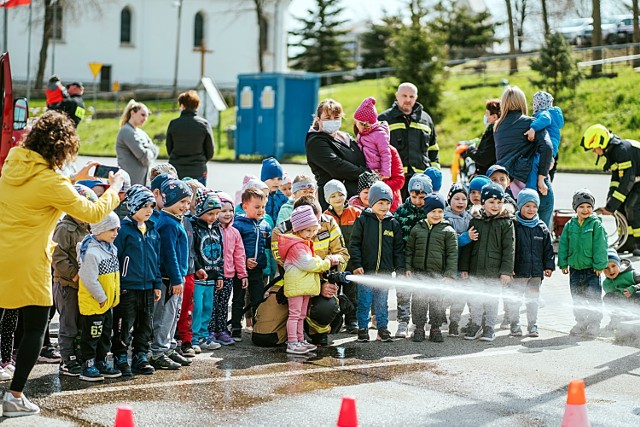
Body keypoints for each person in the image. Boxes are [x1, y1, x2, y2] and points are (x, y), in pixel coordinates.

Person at [0, 110, 124, 417]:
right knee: (35, 328)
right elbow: (93, 214)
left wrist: (73, 179)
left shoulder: (14, 162)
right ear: (62, 147)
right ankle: (15, 396)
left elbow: (38, 189)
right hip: (28, 261)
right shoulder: (52, 181)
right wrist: (114, 189)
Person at [111, 185, 161, 376]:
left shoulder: (152, 229)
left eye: (151, 206)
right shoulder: (123, 231)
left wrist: (156, 283)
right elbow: (115, 259)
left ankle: (140, 356)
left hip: (147, 287)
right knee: (124, 324)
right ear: (132, 206)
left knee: (145, 324)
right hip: (127, 288)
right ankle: (120, 356)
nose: (149, 210)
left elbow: (155, 258)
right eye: (145, 206)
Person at [278, 206, 340, 354]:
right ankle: (292, 342)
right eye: (307, 231)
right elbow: (308, 263)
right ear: (298, 230)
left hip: (303, 287)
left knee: (301, 315)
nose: (311, 234)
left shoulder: (304, 244)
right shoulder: (296, 246)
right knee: (294, 315)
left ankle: (300, 340)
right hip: (296, 288)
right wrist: (327, 263)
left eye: (313, 230)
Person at [349, 181, 405, 343]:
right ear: (372, 202)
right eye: (380, 203)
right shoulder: (363, 221)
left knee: (382, 303)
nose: (384, 206)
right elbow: (354, 245)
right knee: (364, 302)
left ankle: (382, 329)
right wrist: (357, 264)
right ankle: (362, 328)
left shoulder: (393, 223)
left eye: (387, 203)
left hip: (384, 273)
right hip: (366, 271)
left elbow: (398, 249)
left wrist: (399, 268)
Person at [52, 184, 98, 377]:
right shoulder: (65, 228)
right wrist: (74, 274)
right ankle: (67, 358)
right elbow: (57, 256)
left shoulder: (88, 228)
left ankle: (77, 353)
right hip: (67, 284)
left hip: (83, 286)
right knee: (68, 323)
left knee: (81, 321)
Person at [460, 183, 515, 342]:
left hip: (494, 272)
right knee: (476, 300)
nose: (496, 206)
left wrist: (506, 271)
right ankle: (476, 325)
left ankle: (489, 327)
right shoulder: (476, 221)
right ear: (483, 202)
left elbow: (509, 249)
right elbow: (468, 247)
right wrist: (464, 267)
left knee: (491, 301)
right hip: (476, 270)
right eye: (491, 202)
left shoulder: (506, 223)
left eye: (499, 202)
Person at [493, 86, 554, 226]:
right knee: (541, 224)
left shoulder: (497, 127)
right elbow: (547, 147)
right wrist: (542, 177)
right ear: (523, 102)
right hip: (529, 179)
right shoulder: (531, 123)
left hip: (507, 182)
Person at [151, 178, 193, 370]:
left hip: (177, 278)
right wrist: (177, 279)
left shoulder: (175, 219)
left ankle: (168, 347)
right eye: (181, 202)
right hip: (169, 280)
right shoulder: (167, 223)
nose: (185, 206)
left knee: (173, 315)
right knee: (165, 316)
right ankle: (158, 351)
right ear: (169, 201)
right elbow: (169, 255)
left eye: (187, 202)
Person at [405, 194, 458, 343]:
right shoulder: (417, 229)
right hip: (419, 273)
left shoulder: (448, 231)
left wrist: (449, 275)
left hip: (438, 275)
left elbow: (452, 255)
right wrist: (408, 267)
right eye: (433, 211)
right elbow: (410, 250)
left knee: (437, 303)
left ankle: (435, 328)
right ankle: (419, 328)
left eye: (440, 211)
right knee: (418, 302)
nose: (436, 215)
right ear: (426, 211)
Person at [580, 124, 640, 256]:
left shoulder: (622, 151)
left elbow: (626, 181)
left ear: (601, 143)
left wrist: (611, 206)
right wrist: (611, 199)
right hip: (636, 180)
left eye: (594, 148)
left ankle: (639, 244)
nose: (594, 152)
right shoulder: (612, 152)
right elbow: (616, 180)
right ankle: (628, 243)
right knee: (621, 207)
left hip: (636, 181)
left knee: (632, 207)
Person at [77, 212, 123, 382]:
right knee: (92, 336)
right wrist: (101, 296)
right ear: (99, 229)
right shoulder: (91, 253)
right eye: (112, 229)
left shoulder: (111, 248)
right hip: (95, 304)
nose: (116, 233)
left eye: (117, 229)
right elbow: (89, 279)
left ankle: (101, 361)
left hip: (107, 304)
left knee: (105, 335)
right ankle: (88, 364)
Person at [558, 189, 608, 337]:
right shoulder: (570, 225)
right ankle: (581, 322)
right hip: (574, 269)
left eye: (588, 206)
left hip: (592, 270)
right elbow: (563, 245)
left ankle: (594, 324)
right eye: (581, 207)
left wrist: (599, 265)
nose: (585, 210)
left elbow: (601, 246)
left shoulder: (596, 225)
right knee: (577, 297)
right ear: (575, 208)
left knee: (593, 297)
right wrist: (563, 263)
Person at [378, 82, 440, 200]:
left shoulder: (426, 119)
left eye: (411, 96)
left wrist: (434, 174)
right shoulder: (384, 120)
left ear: (416, 98)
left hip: (422, 181)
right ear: (397, 96)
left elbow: (433, 148)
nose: (408, 99)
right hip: (395, 181)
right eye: (404, 96)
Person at [507, 189, 555, 338]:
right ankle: (514, 325)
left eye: (534, 206)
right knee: (515, 301)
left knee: (533, 301)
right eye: (527, 206)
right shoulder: (513, 226)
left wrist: (548, 266)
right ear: (520, 206)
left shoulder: (541, 228)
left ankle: (532, 325)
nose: (531, 209)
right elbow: (509, 249)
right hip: (518, 272)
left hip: (535, 273)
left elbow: (548, 249)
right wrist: (509, 268)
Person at [305, 99, 368, 211]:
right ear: (318, 119)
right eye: (328, 118)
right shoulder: (315, 141)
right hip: (334, 201)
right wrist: (366, 174)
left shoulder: (346, 137)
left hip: (357, 199)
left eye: (336, 118)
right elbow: (336, 166)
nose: (332, 121)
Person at [393, 174, 432, 338]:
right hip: (403, 258)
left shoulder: (431, 212)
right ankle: (403, 322)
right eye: (414, 196)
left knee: (421, 293)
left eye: (422, 197)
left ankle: (419, 323)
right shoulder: (401, 211)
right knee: (403, 291)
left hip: (423, 260)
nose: (417, 200)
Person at [231, 187, 271, 341]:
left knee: (258, 298)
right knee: (238, 298)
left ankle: (258, 326)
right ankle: (235, 326)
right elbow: (234, 248)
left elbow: (267, 245)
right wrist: (244, 261)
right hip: (241, 270)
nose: (261, 210)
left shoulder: (265, 225)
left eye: (263, 207)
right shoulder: (238, 225)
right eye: (257, 207)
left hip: (257, 270)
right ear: (245, 206)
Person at [212, 192, 248, 347]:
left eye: (230, 210)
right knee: (212, 305)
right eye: (223, 210)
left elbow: (239, 255)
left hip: (228, 275)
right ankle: (210, 331)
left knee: (223, 304)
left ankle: (221, 330)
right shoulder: (212, 230)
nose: (227, 214)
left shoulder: (234, 232)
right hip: (213, 276)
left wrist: (242, 274)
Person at [191, 190, 225, 351]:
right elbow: (192, 251)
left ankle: (204, 336)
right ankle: (194, 337)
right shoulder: (194, 227)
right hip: (199, 276)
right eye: (210, 213)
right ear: (200, 211)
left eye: (217, 213)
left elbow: (220, 252)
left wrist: (220, 274)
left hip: (212, 276)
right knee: (196, 308)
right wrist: (197, 267)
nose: (214, 217)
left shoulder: (216, 228)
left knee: (207, 307)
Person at [444, 183, 478, 336]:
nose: (460, 202)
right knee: (445, 297)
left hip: (464, 267)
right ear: (449, 199)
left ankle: (454, 323)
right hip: (448, 266)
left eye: (464, 199)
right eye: (456, 198)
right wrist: (466, 237)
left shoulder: (470, 218)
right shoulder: (444, 218)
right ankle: (437, 321)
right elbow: (449, 242)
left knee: (460, 298)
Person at [166, 90, 214, 185]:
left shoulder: (174, 124)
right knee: (198, 198)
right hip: (198, 169)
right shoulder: (203, 124)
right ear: (196, 105)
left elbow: (169, 148)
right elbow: (210, 151)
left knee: (178, 199)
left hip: (176, 169)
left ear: (182, 105)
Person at [523, 91, 564, 189]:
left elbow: (546, 119)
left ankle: (531, 190)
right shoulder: (554, 115)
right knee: (544, 172)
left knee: (533, 167)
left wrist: (533, 128)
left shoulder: (544, 113)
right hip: (552, 149)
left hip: (545, 148)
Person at [116, 99, 160, 186]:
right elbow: (144, 158)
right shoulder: (126, 131)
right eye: (142, 115)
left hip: (141, 184)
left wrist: (150, 150)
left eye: (147, 116)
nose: (145, 119)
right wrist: (149, 149)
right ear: (132, 113)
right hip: (129, 185)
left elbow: (156, 149)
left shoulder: (141, 132)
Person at [353, 97, 392, 179]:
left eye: (357, 123)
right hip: (365, 169)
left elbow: (385, 153)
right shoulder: (361, 134)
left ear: (363, 124)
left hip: (376, 171)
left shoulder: (379, 134)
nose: (356, 125)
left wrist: (385, 172)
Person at [602, 250, 640, 333]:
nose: (611, 271)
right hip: (625, 308)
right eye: (606, 268)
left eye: (613, 266)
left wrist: (634, 288)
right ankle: (616, 321)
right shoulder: (606, 283)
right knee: (608, 297)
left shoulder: (632, 274)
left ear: (619, 265)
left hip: (636, 302)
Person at [467, 99, 500, 176]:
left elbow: (483, 158)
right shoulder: (491, 131)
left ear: (494, 117)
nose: (485, 116)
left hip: (488, 176)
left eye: (487, 114)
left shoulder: (493, 134)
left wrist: (471, 150)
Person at [261, 157, 289, 223]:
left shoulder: (283, 197)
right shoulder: (258, 195)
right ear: (263, 179)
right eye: (272, 179)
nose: (276, 182)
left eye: (279, 179)